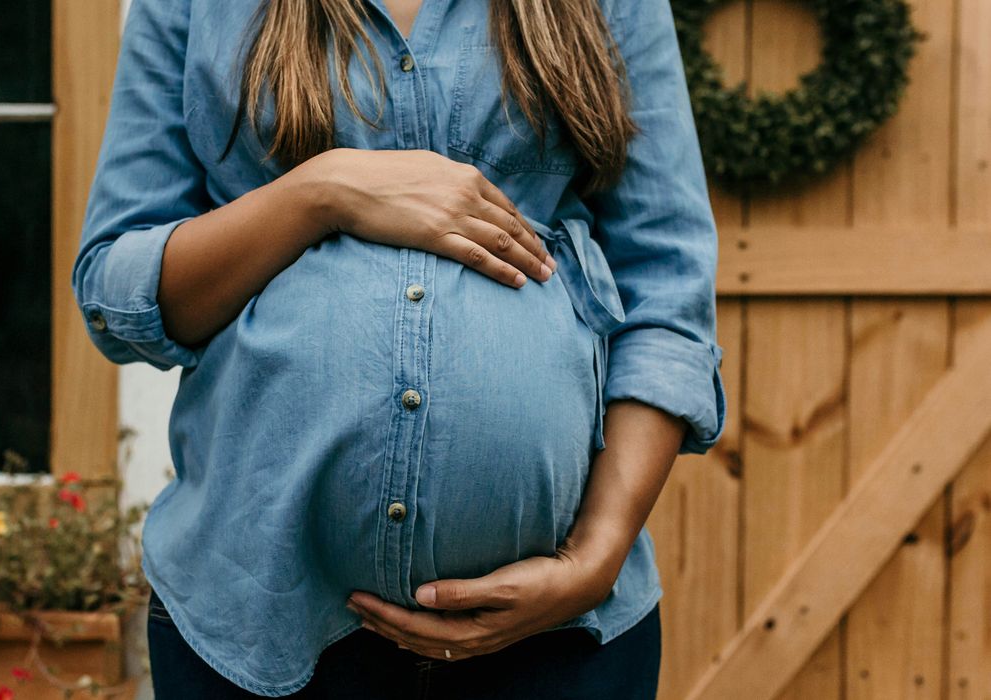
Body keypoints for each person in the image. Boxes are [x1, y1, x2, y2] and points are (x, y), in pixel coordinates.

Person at [73, 0, 726, 696]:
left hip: (558, 639)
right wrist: (319, 192)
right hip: (256, 622)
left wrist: (593, 561)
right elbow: (117, 289)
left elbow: (666, 285)